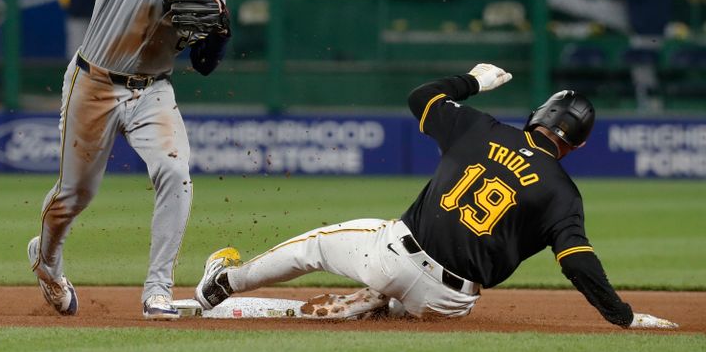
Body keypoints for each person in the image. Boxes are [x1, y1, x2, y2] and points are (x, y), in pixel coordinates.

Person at [193, 64, 677, 330]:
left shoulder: (480, 127)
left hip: (392, 257)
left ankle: (222, 285)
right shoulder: (562, 193)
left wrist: (472, 82)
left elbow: (421, 97)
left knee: (314, 247)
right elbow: (579, 263)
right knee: (397, 305)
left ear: (537, 116)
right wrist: (624, 317)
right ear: (579, 144)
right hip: (448, 301)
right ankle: (377, 305)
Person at [3, 0, 234, 319]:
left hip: (154, 90)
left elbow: (205, 65)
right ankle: (46, 262)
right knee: (75, 194)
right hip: (95, 81)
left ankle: (157, 292)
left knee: (175, 173)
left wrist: (220, 31)